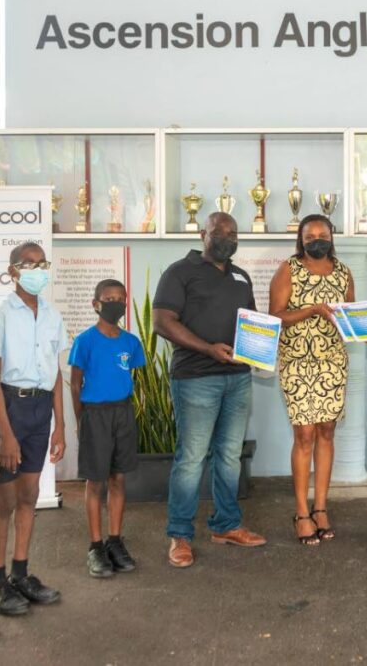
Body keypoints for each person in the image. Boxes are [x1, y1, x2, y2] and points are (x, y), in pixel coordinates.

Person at [153, 212, 267, 568]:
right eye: (220, 232)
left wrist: (261, 350)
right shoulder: (179, 272)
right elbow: (162, 322)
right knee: (190, 459)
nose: (228, 238)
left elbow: (253, 322)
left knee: (230, 456)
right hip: (196, 379)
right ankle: (180, 535)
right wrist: (207, 348)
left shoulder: (241, 276)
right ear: (204, 233)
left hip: (238, 378)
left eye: (234, 233)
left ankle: (226, 525)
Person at [0, 241, 66, 615]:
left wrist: (60, 425)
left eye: (41, 263)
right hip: (10, 407)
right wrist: (5, 433)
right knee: (7, 500)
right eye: (28, 263)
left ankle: (21, 573)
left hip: (41, 406)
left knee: (30, 494)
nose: (37, 269)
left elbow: (57, 373)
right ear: (13, 271)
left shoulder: (51, 313)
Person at [269, 214, 354, 545]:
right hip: (297, 361)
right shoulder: (288, 269)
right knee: (304, 434)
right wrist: (312, 310)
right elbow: (275, 315)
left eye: (323, 233)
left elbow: (348, 316)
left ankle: (321, 508)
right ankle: (302, 512)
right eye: (310, 235)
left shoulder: (344, 272)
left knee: (327, 430)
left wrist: (365, 324)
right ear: (301, 240)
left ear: (332, 236)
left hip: (332, 360)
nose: (317, 238)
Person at [68, 279, 145, 578]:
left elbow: (131, 380)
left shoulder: (131, 342)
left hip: (122, 413)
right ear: (96, 304)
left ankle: (115, 541)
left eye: (121, 298)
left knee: (118, 478)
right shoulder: (85, 341)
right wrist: (80, 422)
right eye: (109, 298)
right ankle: (96, 546)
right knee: (96, 482)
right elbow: (75, 384)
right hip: (94, 415)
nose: (116, 303)